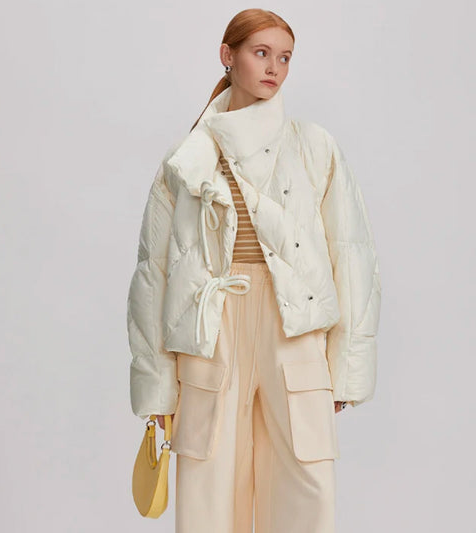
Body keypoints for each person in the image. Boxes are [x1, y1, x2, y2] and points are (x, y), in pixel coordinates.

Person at [126, 8, 382, 533]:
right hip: (211, 329)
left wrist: (347, 367)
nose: (274, 68)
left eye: (284, 57)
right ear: (228, 55)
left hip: (294, 327)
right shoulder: (188, 157)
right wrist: (157, 387)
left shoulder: (314, 146)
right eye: (260, 53)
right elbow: (153, 275)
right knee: (209, 488)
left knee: (306, 487)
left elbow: (352, 257)